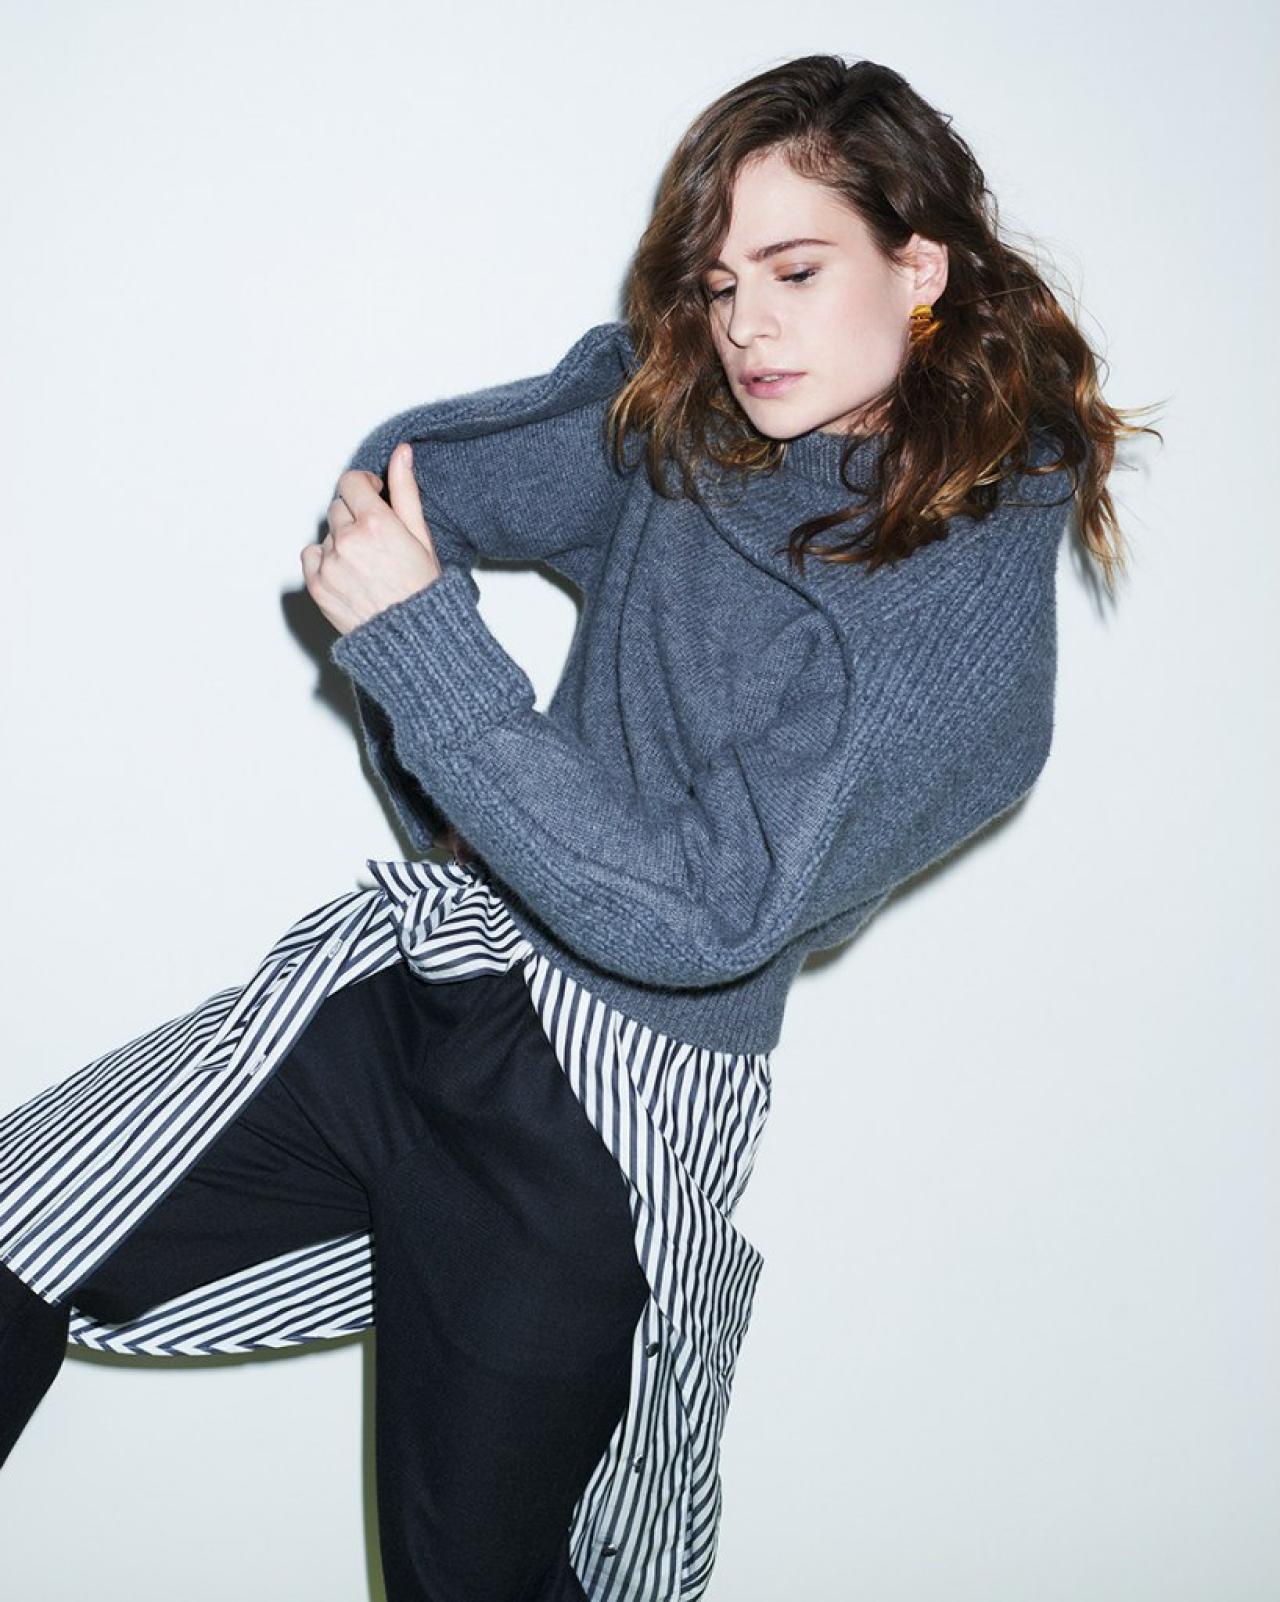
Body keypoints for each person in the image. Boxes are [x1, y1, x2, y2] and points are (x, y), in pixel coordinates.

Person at [0, 52, 1160, 1602]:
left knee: (478, 1580)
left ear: (921, 265)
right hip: (431, 987)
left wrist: (433, 662)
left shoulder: (957, 620)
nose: (748, 324)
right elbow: (406, 494)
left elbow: (702, 913)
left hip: (600, 1125)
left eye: (795, 271)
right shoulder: (706, 433)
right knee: (19, 1222)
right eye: (719, 282)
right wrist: (619, 388)